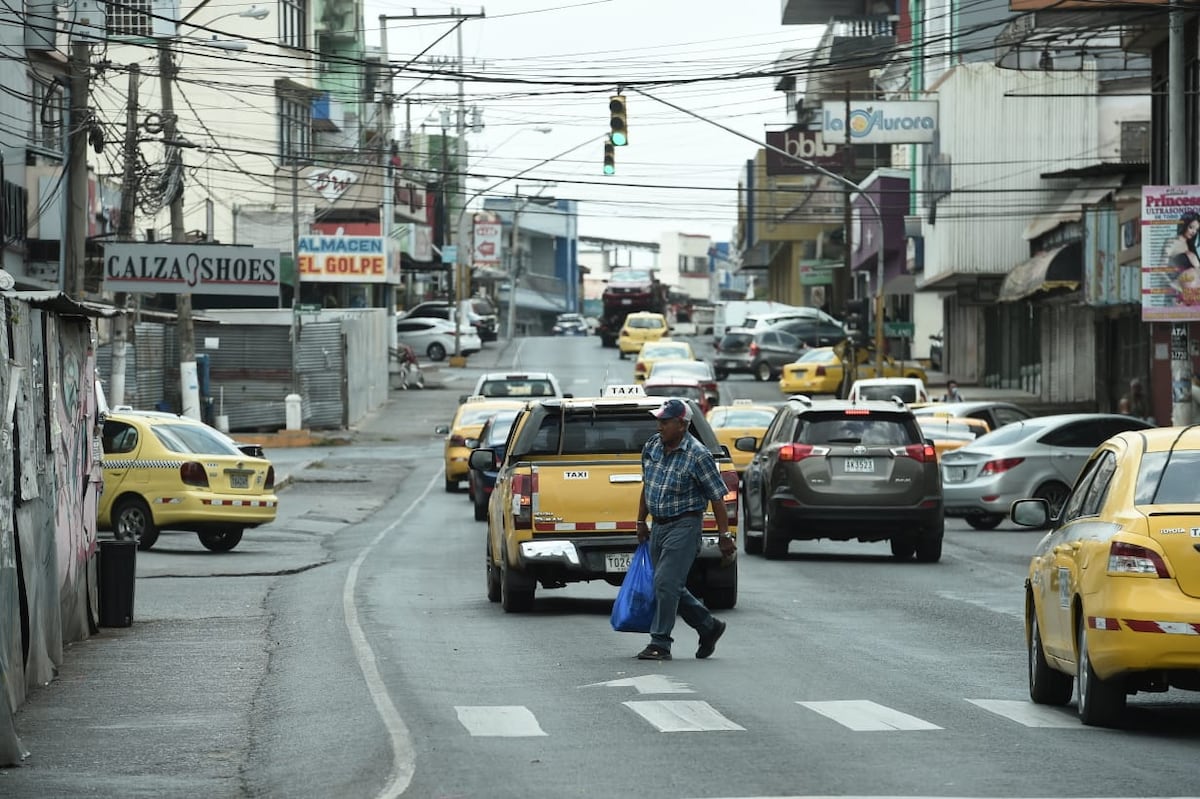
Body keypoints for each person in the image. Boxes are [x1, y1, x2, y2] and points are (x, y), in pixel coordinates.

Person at [634, 398, 736, 661]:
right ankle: (708, 627)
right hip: (658, 526)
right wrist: (640, 521)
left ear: (682, 425)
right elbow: (648, 485)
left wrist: (725, 536)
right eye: (658, 421)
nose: (659, 427)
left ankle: (660, 642)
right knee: (669, 585)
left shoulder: (698, 455)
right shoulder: (652, 447)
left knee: (666, 583)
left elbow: (717, 497)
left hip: (685, 525)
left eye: (665, 422)